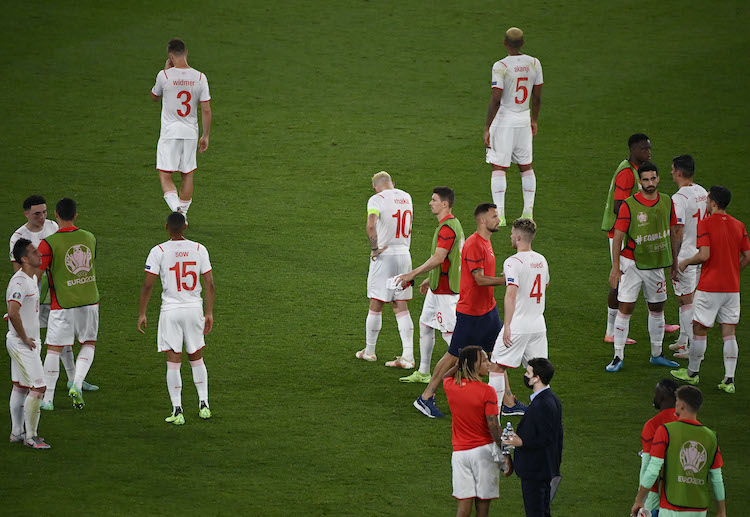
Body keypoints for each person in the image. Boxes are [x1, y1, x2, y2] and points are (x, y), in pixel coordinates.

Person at [414, 203, 505, 418]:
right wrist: (506, 280)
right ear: (482, 220)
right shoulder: (474, 244)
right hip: (471, 313)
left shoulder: (486, 242)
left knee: (497, 354)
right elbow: (479, 279)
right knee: (454, 355)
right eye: (494, 217)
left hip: (488, 309)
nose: (498, 220)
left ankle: (506, 401)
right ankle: (426, 396)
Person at [8, 195, 98, 399]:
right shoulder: (18, 237)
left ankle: (73, 380)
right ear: (26, 214)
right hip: (35, 296)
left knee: (60, 340)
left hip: (58, 295)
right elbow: (19, 271)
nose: (42, 217)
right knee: (32, 339)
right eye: (36, 214)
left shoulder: (52, 227)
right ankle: (28, 380)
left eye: (44, 212)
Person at [671, 186, 750, 393]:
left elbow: (704, 255)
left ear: (713, 203)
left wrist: (685, 262)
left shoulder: (705, 224)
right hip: (732, 289)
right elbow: (747, 256)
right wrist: (733, 271)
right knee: (729, 332)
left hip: (709, 287)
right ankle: (729, 380)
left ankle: (692, 374)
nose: (705, 202)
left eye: (707, 199)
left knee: (699, 329)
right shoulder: (739, 225)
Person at [138, 212, 215, 424]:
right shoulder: (199, 249)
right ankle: (204, 405)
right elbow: (209, 283)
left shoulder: (159, 251)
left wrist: (142, 313)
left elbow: (148, 285)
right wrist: (209, 312)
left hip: (171, 311)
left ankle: (177, 410)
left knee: (173, 360)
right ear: (185, 227)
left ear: (166, 227)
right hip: (194, 309)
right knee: (196, 357)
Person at [607, 162, 681, 372]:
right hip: (632, 264)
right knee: (626, 307)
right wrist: (615, 267)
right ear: (639, 181)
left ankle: (657, 354)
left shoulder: (667, 201)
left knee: (657, 308)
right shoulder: (629, 205)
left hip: (656, 264)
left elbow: (673, 232)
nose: (650, 183)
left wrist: (674, 262)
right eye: (646, 179)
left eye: (653, 178)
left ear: (658, 179)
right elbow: (618, 237)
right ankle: (617, 356)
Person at [396, 187, 464, 384]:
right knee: (425, 324)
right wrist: (430, 278)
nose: (430, 203)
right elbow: (450, 258)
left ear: (444, 204)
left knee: (451, 336)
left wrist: (413, 273)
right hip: (438, 287)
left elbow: (439, 257)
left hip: (446, 292)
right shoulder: (453, 224)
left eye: (434, 200)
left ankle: (467, 375)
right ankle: (424, 372)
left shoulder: (447, 229)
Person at [38, 198, 100, 410]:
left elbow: (38, 274)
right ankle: (77, 383)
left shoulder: (48, 243)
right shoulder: (89, 237)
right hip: (90, 301)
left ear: (56, 214)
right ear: (75, 215)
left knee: (54, 350)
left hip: (62, 304)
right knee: (88, 343)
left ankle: (48, 399)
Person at [631, 385, 726, 517]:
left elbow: (653, 470)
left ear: (681, 405)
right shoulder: (711, 437)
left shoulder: (665, 431)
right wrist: (721, 511)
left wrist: (639, 500)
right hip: (699, 509)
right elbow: (717, 479)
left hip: (671, 507)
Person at [483, 27, 543, 226]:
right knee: (526, 166)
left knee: (499, 166)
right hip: (524, 119)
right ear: (522, 43)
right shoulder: (534, 63)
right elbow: (537, 97)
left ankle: (499, 215)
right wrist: (534, 119)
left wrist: (487, 126)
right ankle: (528, 212)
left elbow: (496, 98)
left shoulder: (501, 66)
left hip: (504, 121)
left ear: (505, 43)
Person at [356, 171, 415, 368]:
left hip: (385, 257)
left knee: (376, 302)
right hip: (404, 256)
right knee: (401, 304)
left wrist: (374, 249)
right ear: (393, 183)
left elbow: (371, 225)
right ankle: (408, 356)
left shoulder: (376, 200)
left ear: (375, 187)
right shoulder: (406, 197)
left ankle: (369, 351)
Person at [444, 346, 512, 517]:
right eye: (484, 361)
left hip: (460, 454)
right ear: (474, 365)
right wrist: (505, 453)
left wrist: (459, 364)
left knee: (463, 508)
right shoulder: (487, 391)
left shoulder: (451, 386)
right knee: (482, 508)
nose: (489, 364)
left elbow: (446, 376)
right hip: (484, 453)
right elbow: (493, 426)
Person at [491, 219, 549, 416]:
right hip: (538, 325)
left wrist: (507, 325)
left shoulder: (512, 262)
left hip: (519, 325)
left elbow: (511, 295)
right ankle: (543, 414)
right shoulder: (541, 259)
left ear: (517, 237)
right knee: (539, 374)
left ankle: (495, 416)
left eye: (511, 234)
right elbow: (545, 284)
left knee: (496, 367)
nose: (510, 236)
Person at [150, 38, 212, 221]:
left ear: (170, 56)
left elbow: (154, 96)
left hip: (170, 132)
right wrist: (205, 135)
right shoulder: (200, 77)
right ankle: (183, 215)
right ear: (186, 53)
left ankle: (177, 210)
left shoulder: (164, 75)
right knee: (187, 174)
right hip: (190, 133)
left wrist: (165, 70)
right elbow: (206, 109)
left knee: (165, 174)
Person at [502, 357, 563, 517]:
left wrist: (520, 441)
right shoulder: (550, 399)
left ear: (537, 378)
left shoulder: (542, 404)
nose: (525, 375)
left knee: (535, 512)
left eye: (528, 373)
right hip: (543, 467)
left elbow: (546, 437)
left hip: (536, 470)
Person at [6, 239, 50, 449]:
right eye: (34, 252)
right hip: (23, 344)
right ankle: (31, 437)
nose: (39, 254)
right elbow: (13, 312)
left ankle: (16, 433)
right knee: (39, 387)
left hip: (26, 342)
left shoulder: (31, 278)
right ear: (24, 259)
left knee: (20, 386)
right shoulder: (20, 282)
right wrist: (24, 337)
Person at [667, 155, 707, 359]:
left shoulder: (678, 198)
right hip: (700, 254)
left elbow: (678, 231)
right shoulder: (702, 191)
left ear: (679, 172)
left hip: (685, 257)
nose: (671, 172)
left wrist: (674, 261)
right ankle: (683, 339)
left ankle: (692, 349)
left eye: (673, 169)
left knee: (685, 301)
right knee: (689, 298)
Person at [638, 379, 679, 514]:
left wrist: (640, 500)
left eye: (656, 394)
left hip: (656, 495)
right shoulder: (689, 422)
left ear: (661, 397)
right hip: (685, 494)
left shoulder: (653, 425)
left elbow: (647, 467)